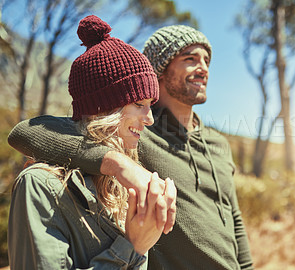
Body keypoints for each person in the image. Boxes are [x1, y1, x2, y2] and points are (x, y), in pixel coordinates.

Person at [8, 24, 254, 269]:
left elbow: (234, 218)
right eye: (190, 58)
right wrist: (118, 163)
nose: (203, 68)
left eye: (207, 60)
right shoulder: (138, 136)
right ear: (160, 69)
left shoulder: (218, 142)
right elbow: (28, 132)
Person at [7, 15, 177, 270]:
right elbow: (22, 132)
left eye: (151, 105)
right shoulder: (41, 186)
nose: (150, 119)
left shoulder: (121, 188)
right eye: (140, 104)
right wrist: (132, 247)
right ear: (105, 108)